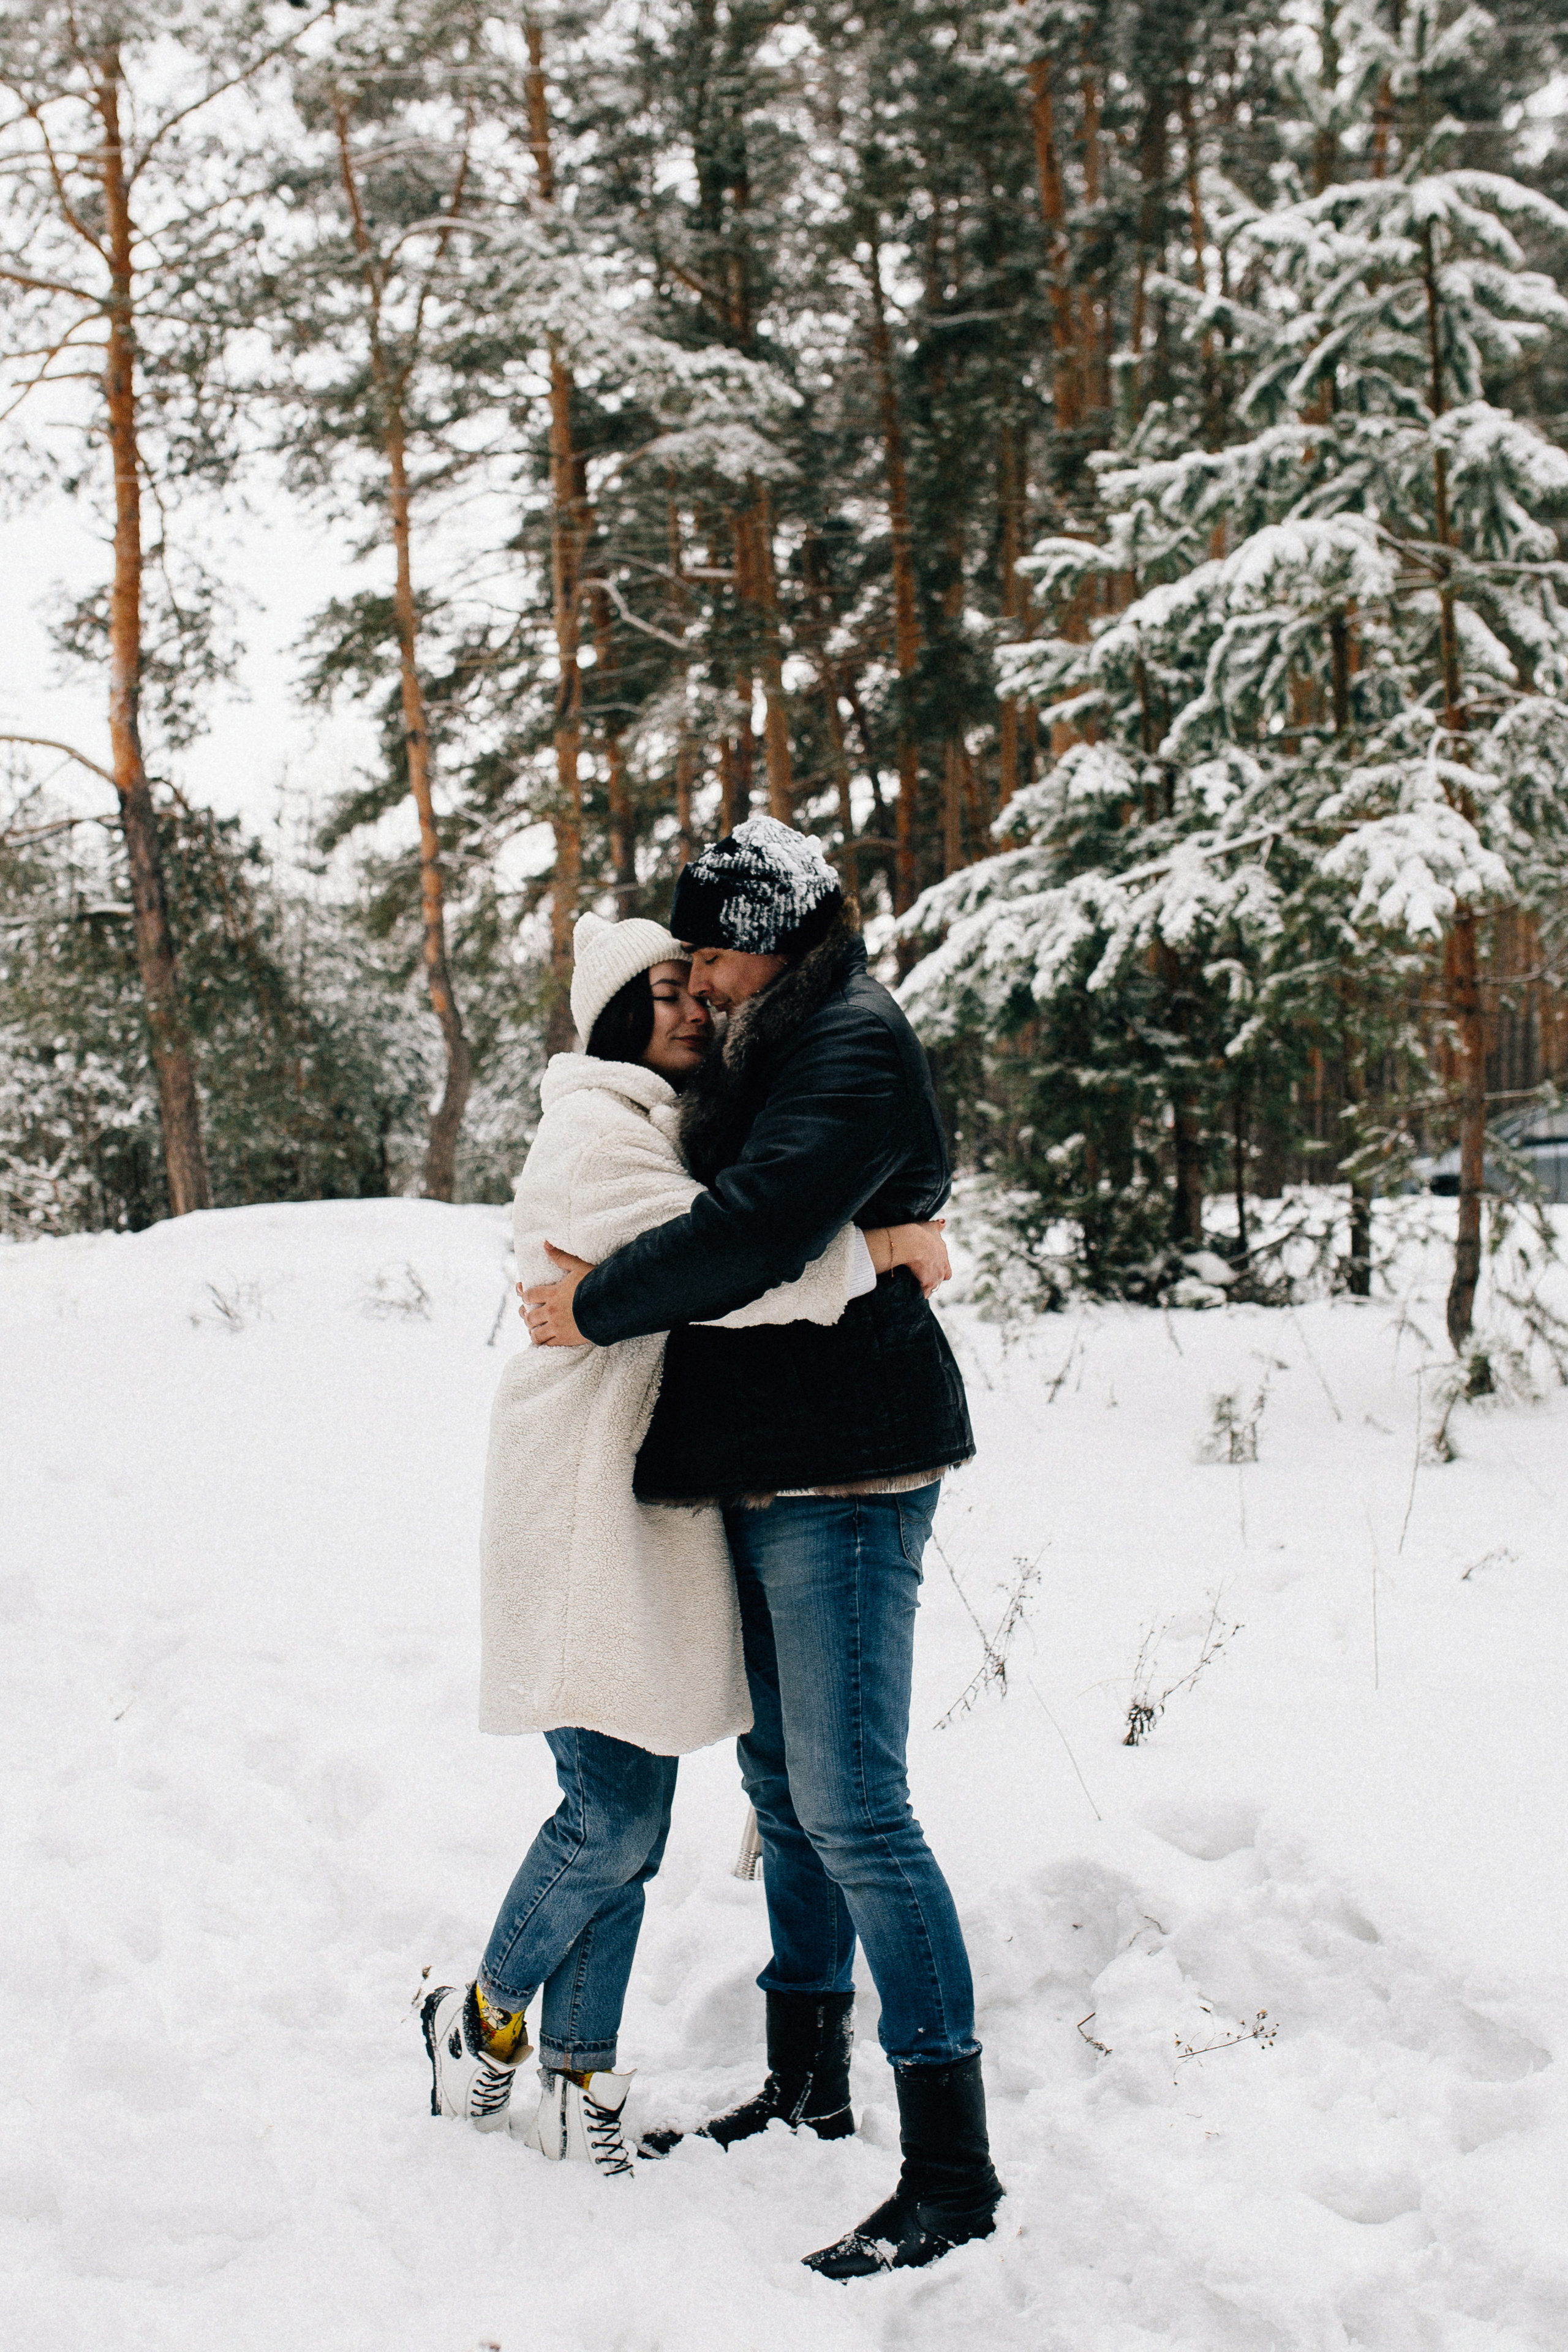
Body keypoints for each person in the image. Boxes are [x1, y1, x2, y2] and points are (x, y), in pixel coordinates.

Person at [519, 817, 1003, 2278]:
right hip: (776, 1465)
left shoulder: (847, 1044)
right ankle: (805, 2082)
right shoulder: (780, 1037)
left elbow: (749, 1233)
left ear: (770, 943)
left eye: (712, 957)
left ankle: (952, 2174)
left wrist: (589, 1305)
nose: (702, 983)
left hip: (847, 1472)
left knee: (855, 1812)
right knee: (789, 1799)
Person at [423, 910, 947, 2176]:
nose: (693, 1006)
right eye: (665, 991)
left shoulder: (672, 1121)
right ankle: (478, 2020)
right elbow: (730, 1263)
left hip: (649, 1498)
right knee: (607, 1814)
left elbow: (730, 1237)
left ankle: (578, 2081)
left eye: (697, 987)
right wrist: (884, 1246)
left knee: (635, 1812)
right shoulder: (596, 1131)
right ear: (613, 1015)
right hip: (580, 1499)